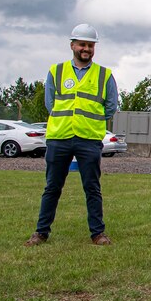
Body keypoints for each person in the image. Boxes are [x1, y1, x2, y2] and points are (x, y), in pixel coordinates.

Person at [25, 23, 119, 246]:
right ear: (72, 45)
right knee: (52, 187)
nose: (86, 48)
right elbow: (50, 104)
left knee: (92, 188)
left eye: (90, 45)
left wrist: (88, 122)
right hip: (60, 138)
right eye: (82, 44)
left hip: (89, 139)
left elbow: (111, 106)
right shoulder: (56, 71)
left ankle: (97, 233)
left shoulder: (104, 75)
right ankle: (41, 232)